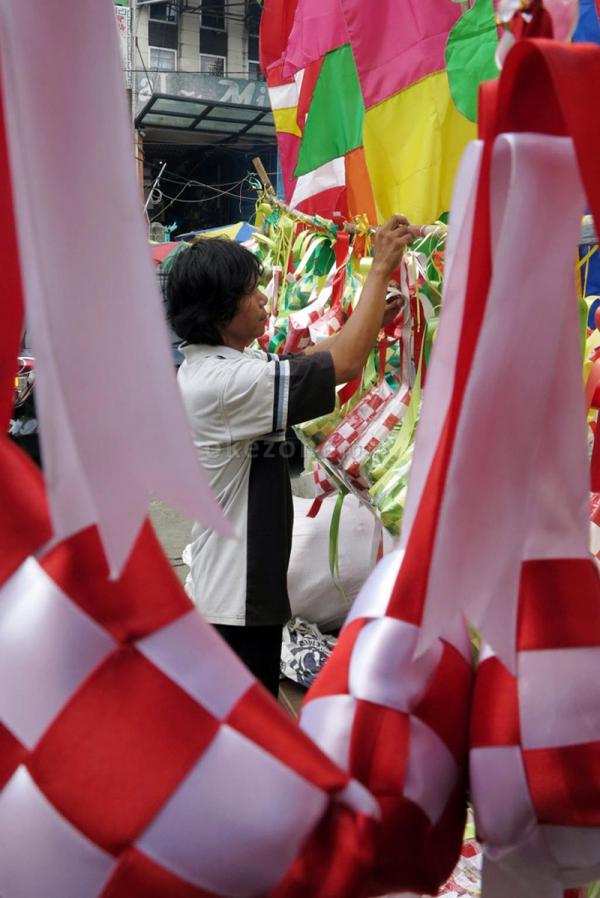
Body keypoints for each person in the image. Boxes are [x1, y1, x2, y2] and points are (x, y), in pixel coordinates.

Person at [167, 216, 415, 697]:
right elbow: (339, 365)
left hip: (239, 592)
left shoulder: (226, 364)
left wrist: (364, 324)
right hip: (235, 603)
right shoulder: (222, 384)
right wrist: (380, 268)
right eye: (250, 292)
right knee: (246, 731)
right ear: (219, 311)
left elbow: (315, 360)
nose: (263, 299)